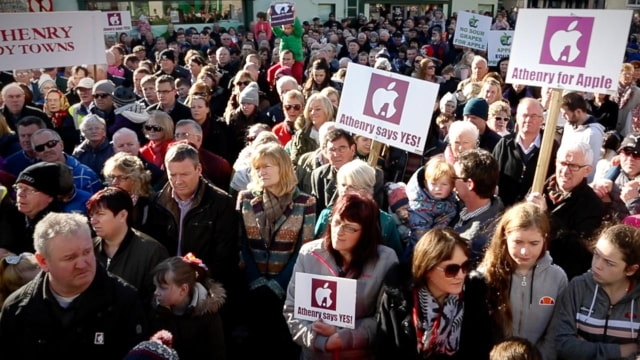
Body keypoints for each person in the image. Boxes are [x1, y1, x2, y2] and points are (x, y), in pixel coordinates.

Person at [0, 212, 147, 359]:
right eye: (70, 258)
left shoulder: (125, 301)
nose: (83, 264)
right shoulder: (17, 309)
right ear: (43, 262)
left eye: (87, 252)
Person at [283, 191, 399, 359]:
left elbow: (383, 318)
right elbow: (292, 310)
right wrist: (319, 341)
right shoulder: (309, 253)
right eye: (336, 222)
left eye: (350, 228)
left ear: (366, 232)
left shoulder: (385, 260)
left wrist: (344, 336)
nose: (339, 231)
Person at [236, 143, 316, 358]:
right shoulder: (245, 199)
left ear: (283, 167)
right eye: (258, 167)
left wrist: (278, 284)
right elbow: (241, 242)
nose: (262, 172)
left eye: (267, 166)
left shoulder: (305, 202)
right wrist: (255, 279)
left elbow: (304, 248)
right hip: (251, 288)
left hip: (287, 290)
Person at [376, 228, 494, 360]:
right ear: (427, 269)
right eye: (451, 269)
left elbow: (483, 350)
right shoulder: (397, 297)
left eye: (466, 266)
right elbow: (384, 350)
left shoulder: (474, 297)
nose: (461, 275)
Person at [479, 203, 567, 360]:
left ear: (544, 239)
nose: (525, 252)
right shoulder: (486, 274)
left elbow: (556, 330)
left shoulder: (557, 278)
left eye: (534, 243)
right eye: (518, 242)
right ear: (505, 237)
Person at [551, 224, 640, 359]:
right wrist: (621, 351)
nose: (597, 265)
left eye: (609, 263)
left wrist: (584, 348)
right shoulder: (578, 286)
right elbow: (564, 345)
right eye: (596, 255)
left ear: (630, 270)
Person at [527, 141, 605, 280]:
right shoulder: (539, 187)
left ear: (587, 170)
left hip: (558, 276)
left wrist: (547, 217)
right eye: (562, 163)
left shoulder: (593, 205)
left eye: (573, 166)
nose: (565, 171)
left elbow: (580, 250)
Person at [88, 187, 169, 306]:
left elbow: (157, 302)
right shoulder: (88, 249)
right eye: (91, 215)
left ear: (122, 215)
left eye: (100, 214)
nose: (93, 221)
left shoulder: (152, 252)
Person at [314, 159, 403, 259]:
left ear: (367, 191)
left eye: (351, 186)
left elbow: (394, 258)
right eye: (342, 185)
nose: (344, 190)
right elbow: (316, 250)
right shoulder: (327, 215)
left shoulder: (385, 221)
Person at [149, 254, 226, 359]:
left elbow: (217, 354)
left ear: (183, 289)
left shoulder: (208, 317)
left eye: (162, 288)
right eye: (156, 286)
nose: (156, 292)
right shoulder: (156, 312)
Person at [493, 98, 558, 207]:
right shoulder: (504, 144)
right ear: (517, 118)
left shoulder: (551, 147)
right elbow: (493, 176)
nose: (528, 120)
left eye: (533, 116)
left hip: (535, 213)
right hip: (505, 210)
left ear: (541, 119)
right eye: (524, 115)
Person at [452, 148, 504, 265]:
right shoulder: (451, 206)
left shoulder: (483, 239)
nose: (451, 182)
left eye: (455, 177)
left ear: (469, 184)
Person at [405, 157, 458, 261]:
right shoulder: (420, 205)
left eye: (444, 184)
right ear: (425, 183)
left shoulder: (452, 201)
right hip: (419, 250)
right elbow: (419, 233)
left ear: (452, 186)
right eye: (433, 184)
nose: (438, 188)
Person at [30, 128, 102, 193]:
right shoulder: (32, 177)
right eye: (40, 148)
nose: (46, 149)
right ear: (36, 153)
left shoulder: (86, 175)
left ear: (61, 145)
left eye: (51, 144)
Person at [560, 92, 605, 182]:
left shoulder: (593, 134)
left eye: (566, 113)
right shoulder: (568, 126)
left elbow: (590, 165)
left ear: (578, 112)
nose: (563, 117)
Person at [287, 92, 334, 166]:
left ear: (327, 110)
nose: (313, 113)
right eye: (310, 110)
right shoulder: (301, 135)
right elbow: (294, 163)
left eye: (318, 109)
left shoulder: (338, 133)